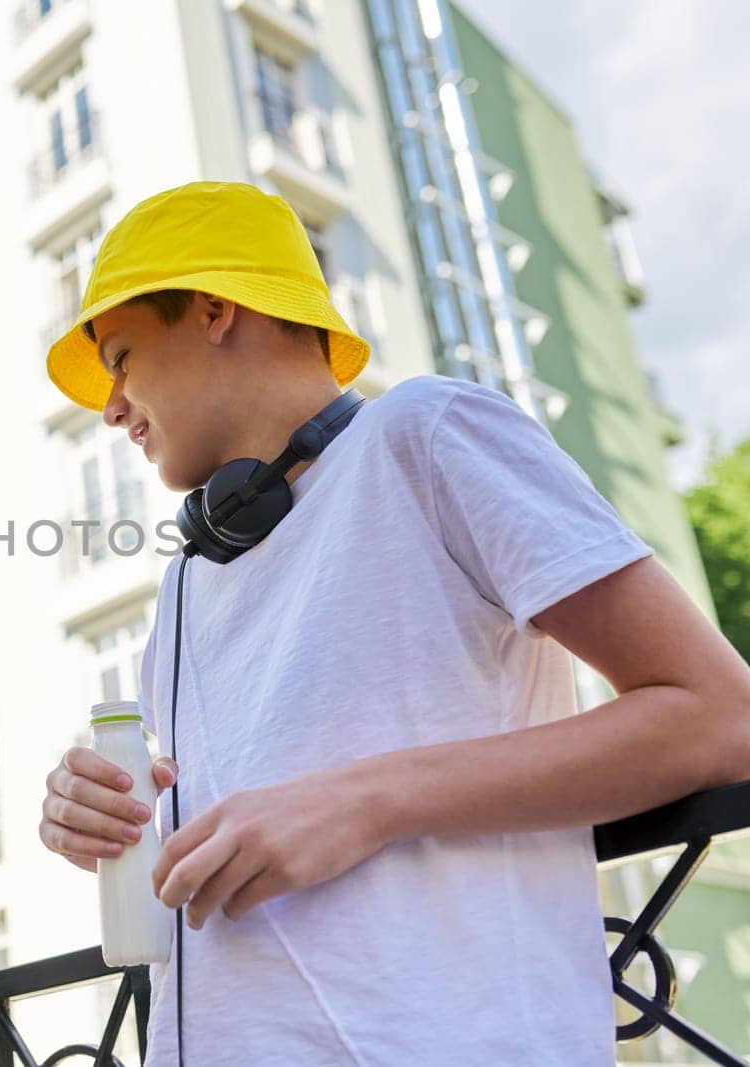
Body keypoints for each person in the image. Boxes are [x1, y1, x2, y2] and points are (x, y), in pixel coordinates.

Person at [36, 182, 750, 1064]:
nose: (109, 407)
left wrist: (366, 800)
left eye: (121, 356)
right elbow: (242, 849)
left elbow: (722, 715)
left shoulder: (428, 434)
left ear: (215, 308)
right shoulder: (186, 586)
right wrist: (100, 821)